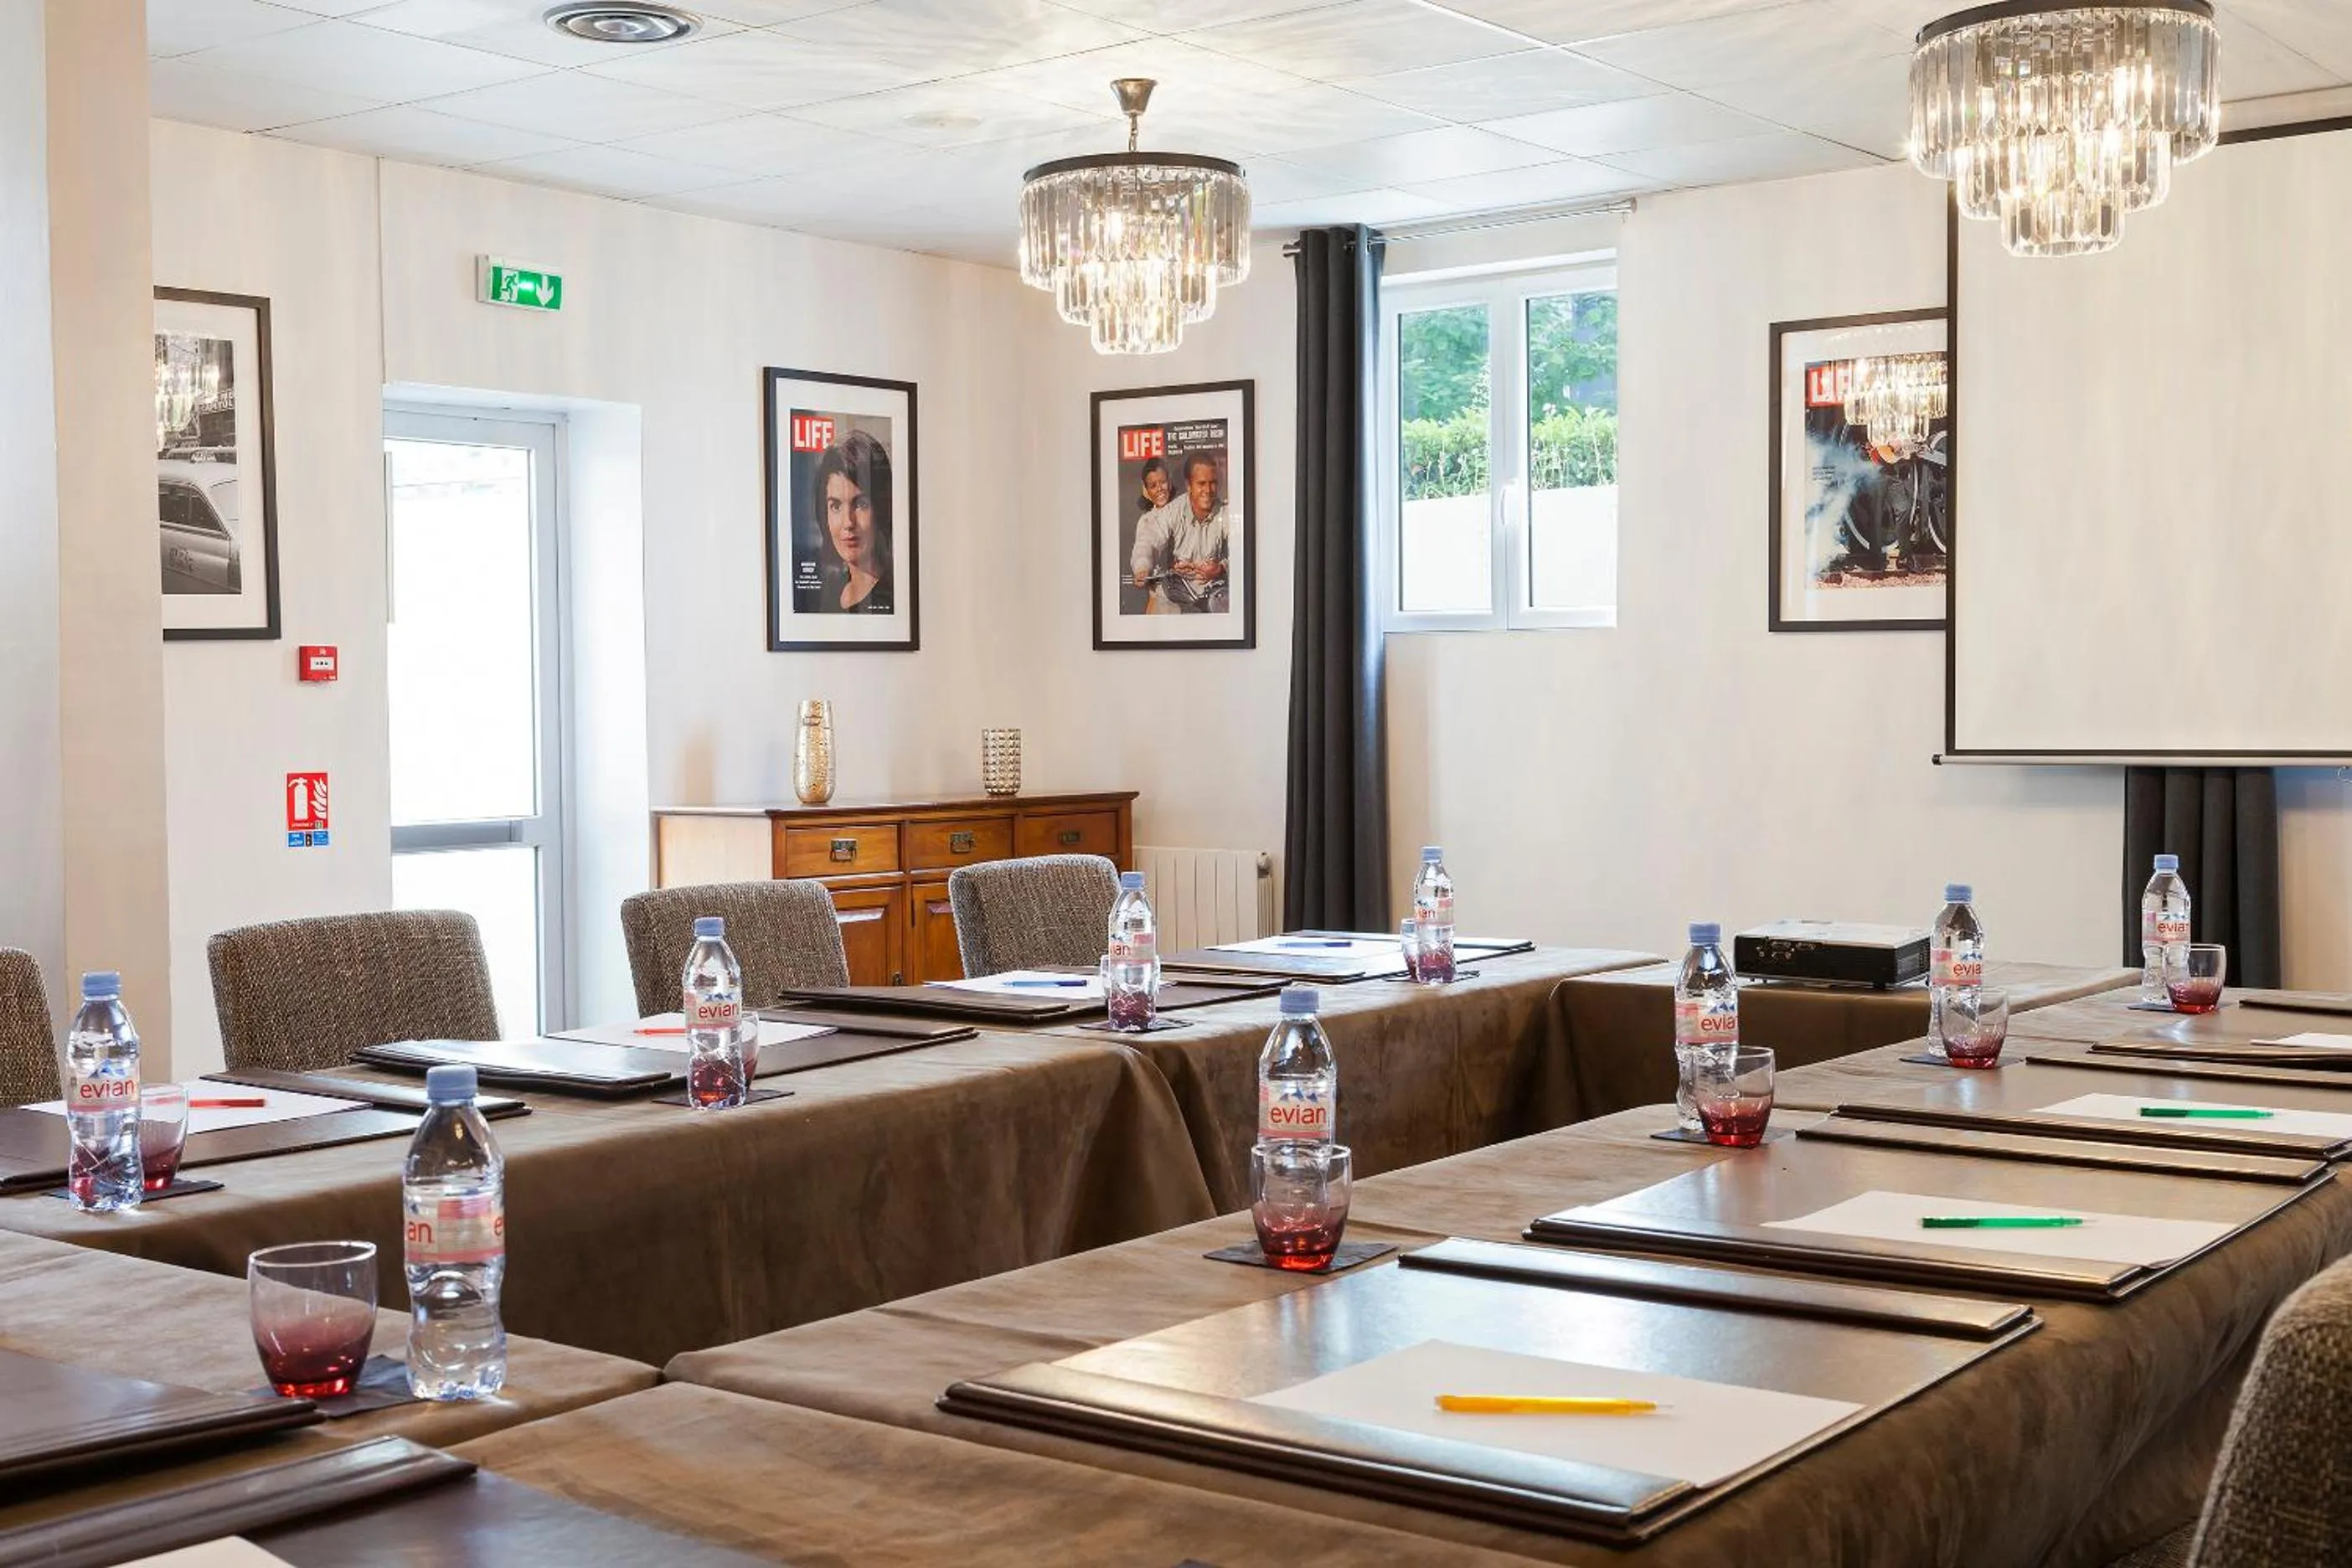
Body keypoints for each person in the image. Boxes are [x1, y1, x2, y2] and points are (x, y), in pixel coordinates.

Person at [1129, 451, 1228, 614]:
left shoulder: (1225, 512)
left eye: (1213, 483)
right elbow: (1147, 541)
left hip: (1211, 601)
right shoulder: (1171, 512)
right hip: (1173, 602)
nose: (1208, 490)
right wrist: (1142, 566)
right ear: (1189, 485)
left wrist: (1221, 568)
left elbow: (1242, 549)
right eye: (1201, 483)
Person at [807, 429, 892, 613]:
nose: (848, 522)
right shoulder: (829, 590)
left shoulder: (894, 597)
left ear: (882, 507)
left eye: (860, 504)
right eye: (835, 506)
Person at [1134, 455, 1171, 519]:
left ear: (1169, 482)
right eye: (1153, 486)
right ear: (1146, 490)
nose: (1159, 489)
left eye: (1163, 482)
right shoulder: (1145, 522)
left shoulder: (1183, 511)